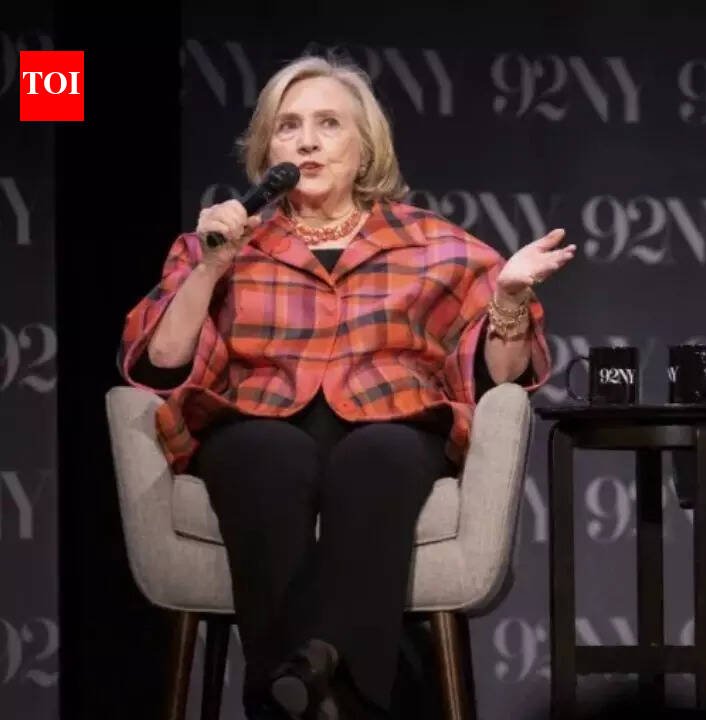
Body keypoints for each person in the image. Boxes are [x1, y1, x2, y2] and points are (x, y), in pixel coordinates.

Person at [118, 53, 575, 719]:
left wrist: (508, 298)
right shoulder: (219, 244)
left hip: (392, 422)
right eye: (288, 126)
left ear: (365, 148)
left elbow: (499, 378)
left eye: (328, 124)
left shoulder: (436, 245)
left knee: (376, 456)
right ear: (267, 149)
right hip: (257, 423)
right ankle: (339, 687)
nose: (306, 141)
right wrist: (213, 265)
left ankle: (295, 690)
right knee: (264, 455)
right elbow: (159, 361)